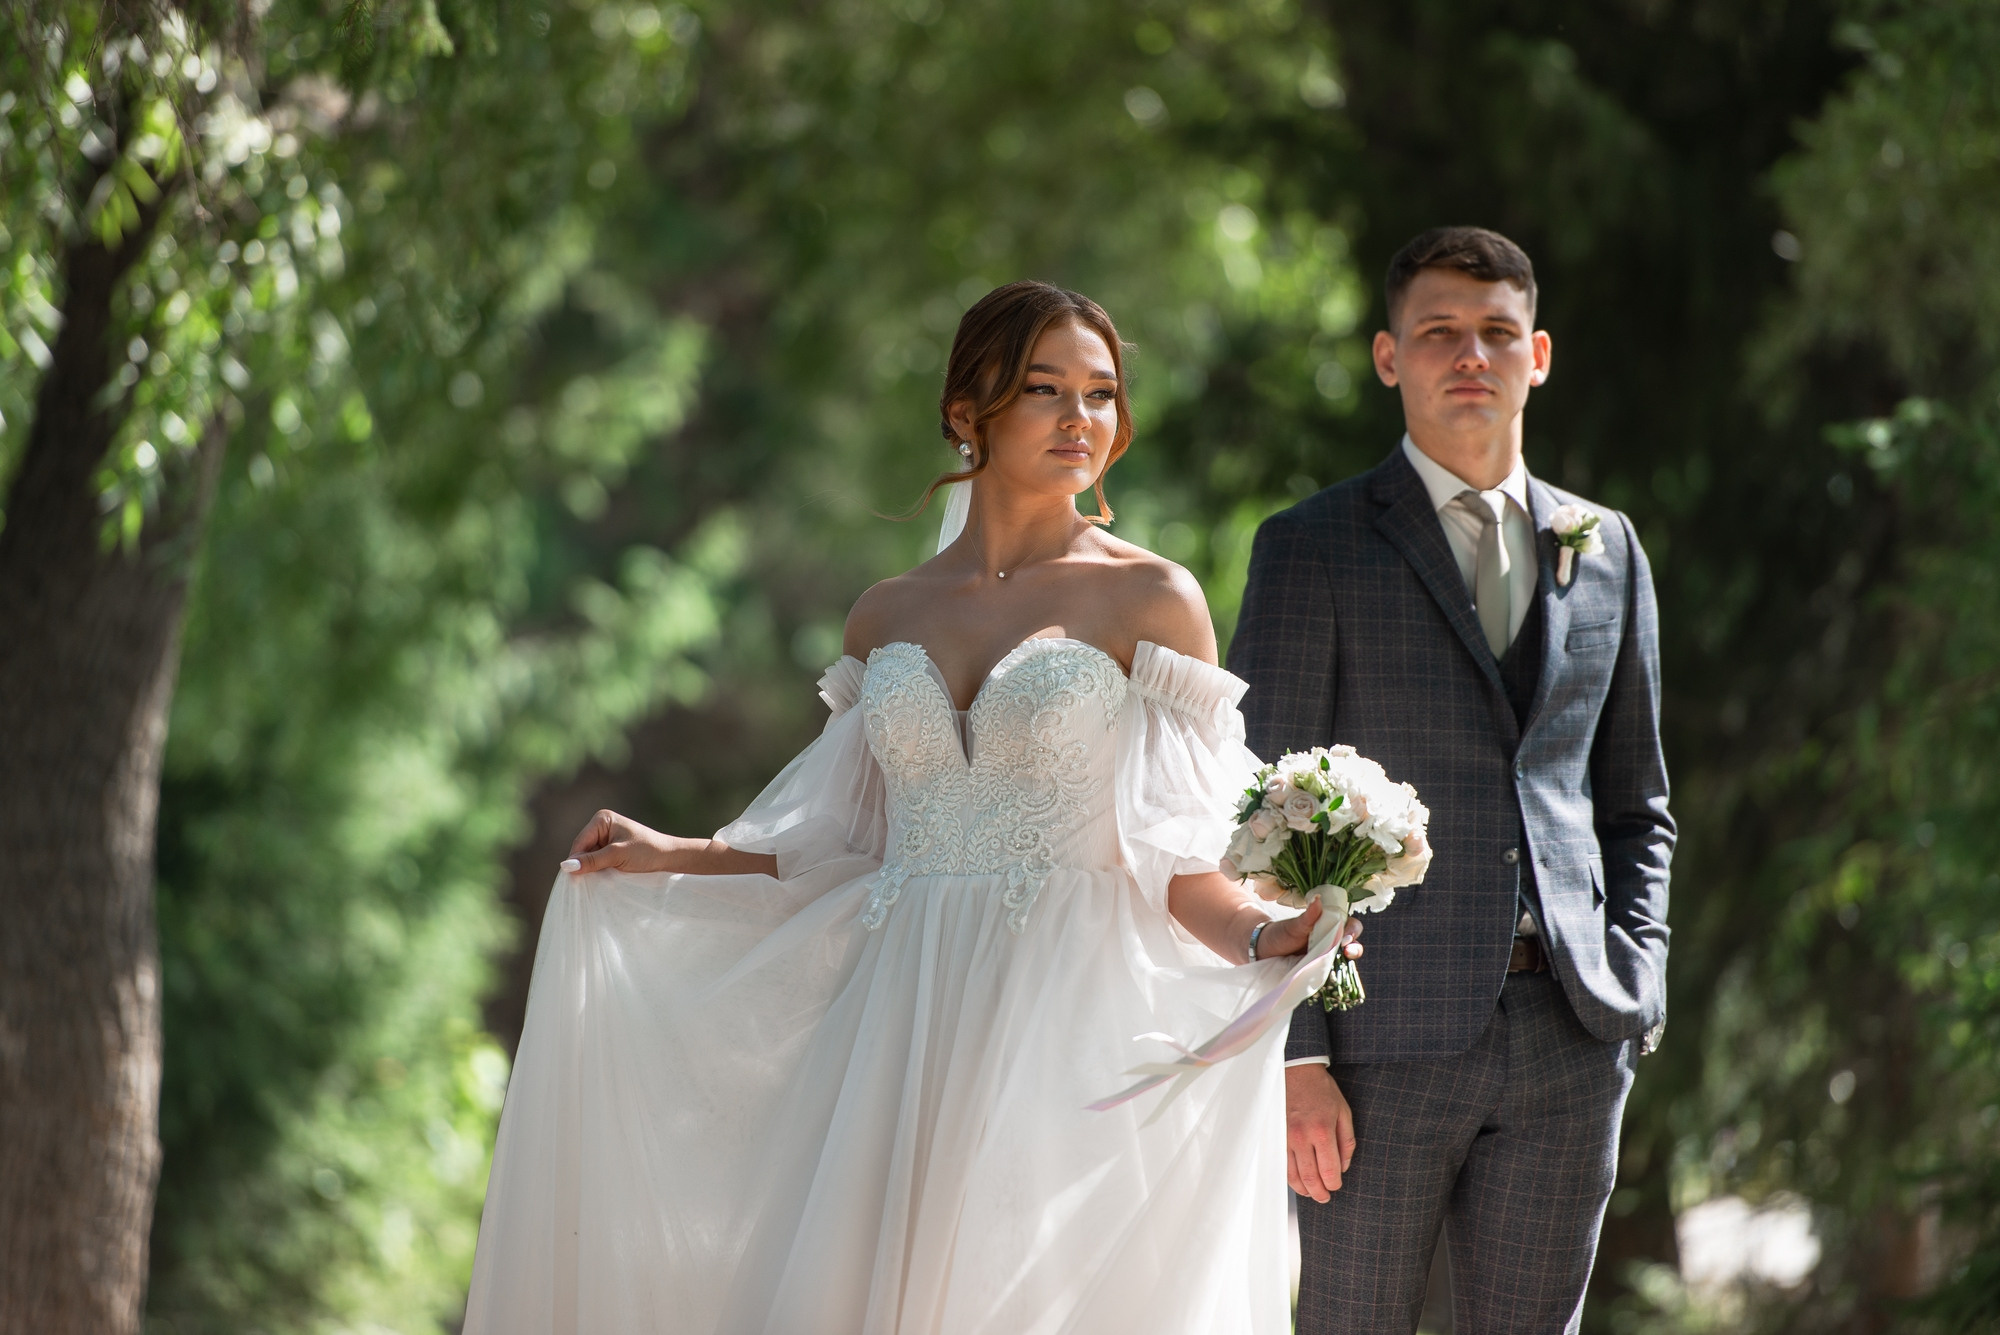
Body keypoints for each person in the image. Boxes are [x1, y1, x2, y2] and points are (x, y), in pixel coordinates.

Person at [463, 280, 1363, 1335]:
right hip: (902, 1010)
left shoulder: (1151, 598)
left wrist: (1262, 935)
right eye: (1044, 389)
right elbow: (846, 841)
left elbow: (1178, 859)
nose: (1080, 418)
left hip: (1070, 1011)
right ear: (965, 410)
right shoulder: (885, 613)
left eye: (1100, 393)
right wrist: (677, 851)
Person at [1229, 227, 1674, 1334]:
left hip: (1573, 1031)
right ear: (1389, 356)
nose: (1469, 354)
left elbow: (1636, 804)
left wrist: (1635, 979)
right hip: (1372, 1041)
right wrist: (1296, 1052)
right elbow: (1254, 812)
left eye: (1495, 332)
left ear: (1538, 355)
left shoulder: (1606, 547)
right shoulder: (1312, 545)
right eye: (1438, 332)